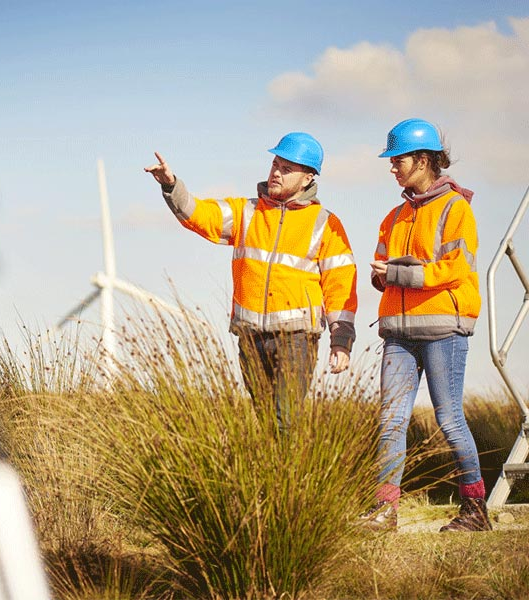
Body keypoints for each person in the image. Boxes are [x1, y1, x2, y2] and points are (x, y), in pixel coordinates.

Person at [144, 133, 358, 429]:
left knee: (285, 422)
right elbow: (199, 214)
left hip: (296, 339)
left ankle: (288, 475)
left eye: (287, 168)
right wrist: (171, 185)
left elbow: (340, 284)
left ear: (308, 178)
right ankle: (273, 475)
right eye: (275, 164)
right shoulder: (246, 211)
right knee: (266, 421)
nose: (276, 172)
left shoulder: (325, 223)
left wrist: (341, 340)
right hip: (250, 337)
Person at [362, 118, 492, 532]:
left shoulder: (457, 209)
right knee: (390, 421)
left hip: (443, 330)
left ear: (422, 160)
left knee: (449, 419)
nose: (392, 167)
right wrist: (381, 275)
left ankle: (475, 511)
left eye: (397, 159)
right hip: (398, 333)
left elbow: (457, 268)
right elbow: (382, 266)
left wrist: (399, 274)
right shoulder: (394, 215)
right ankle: (385, 512)